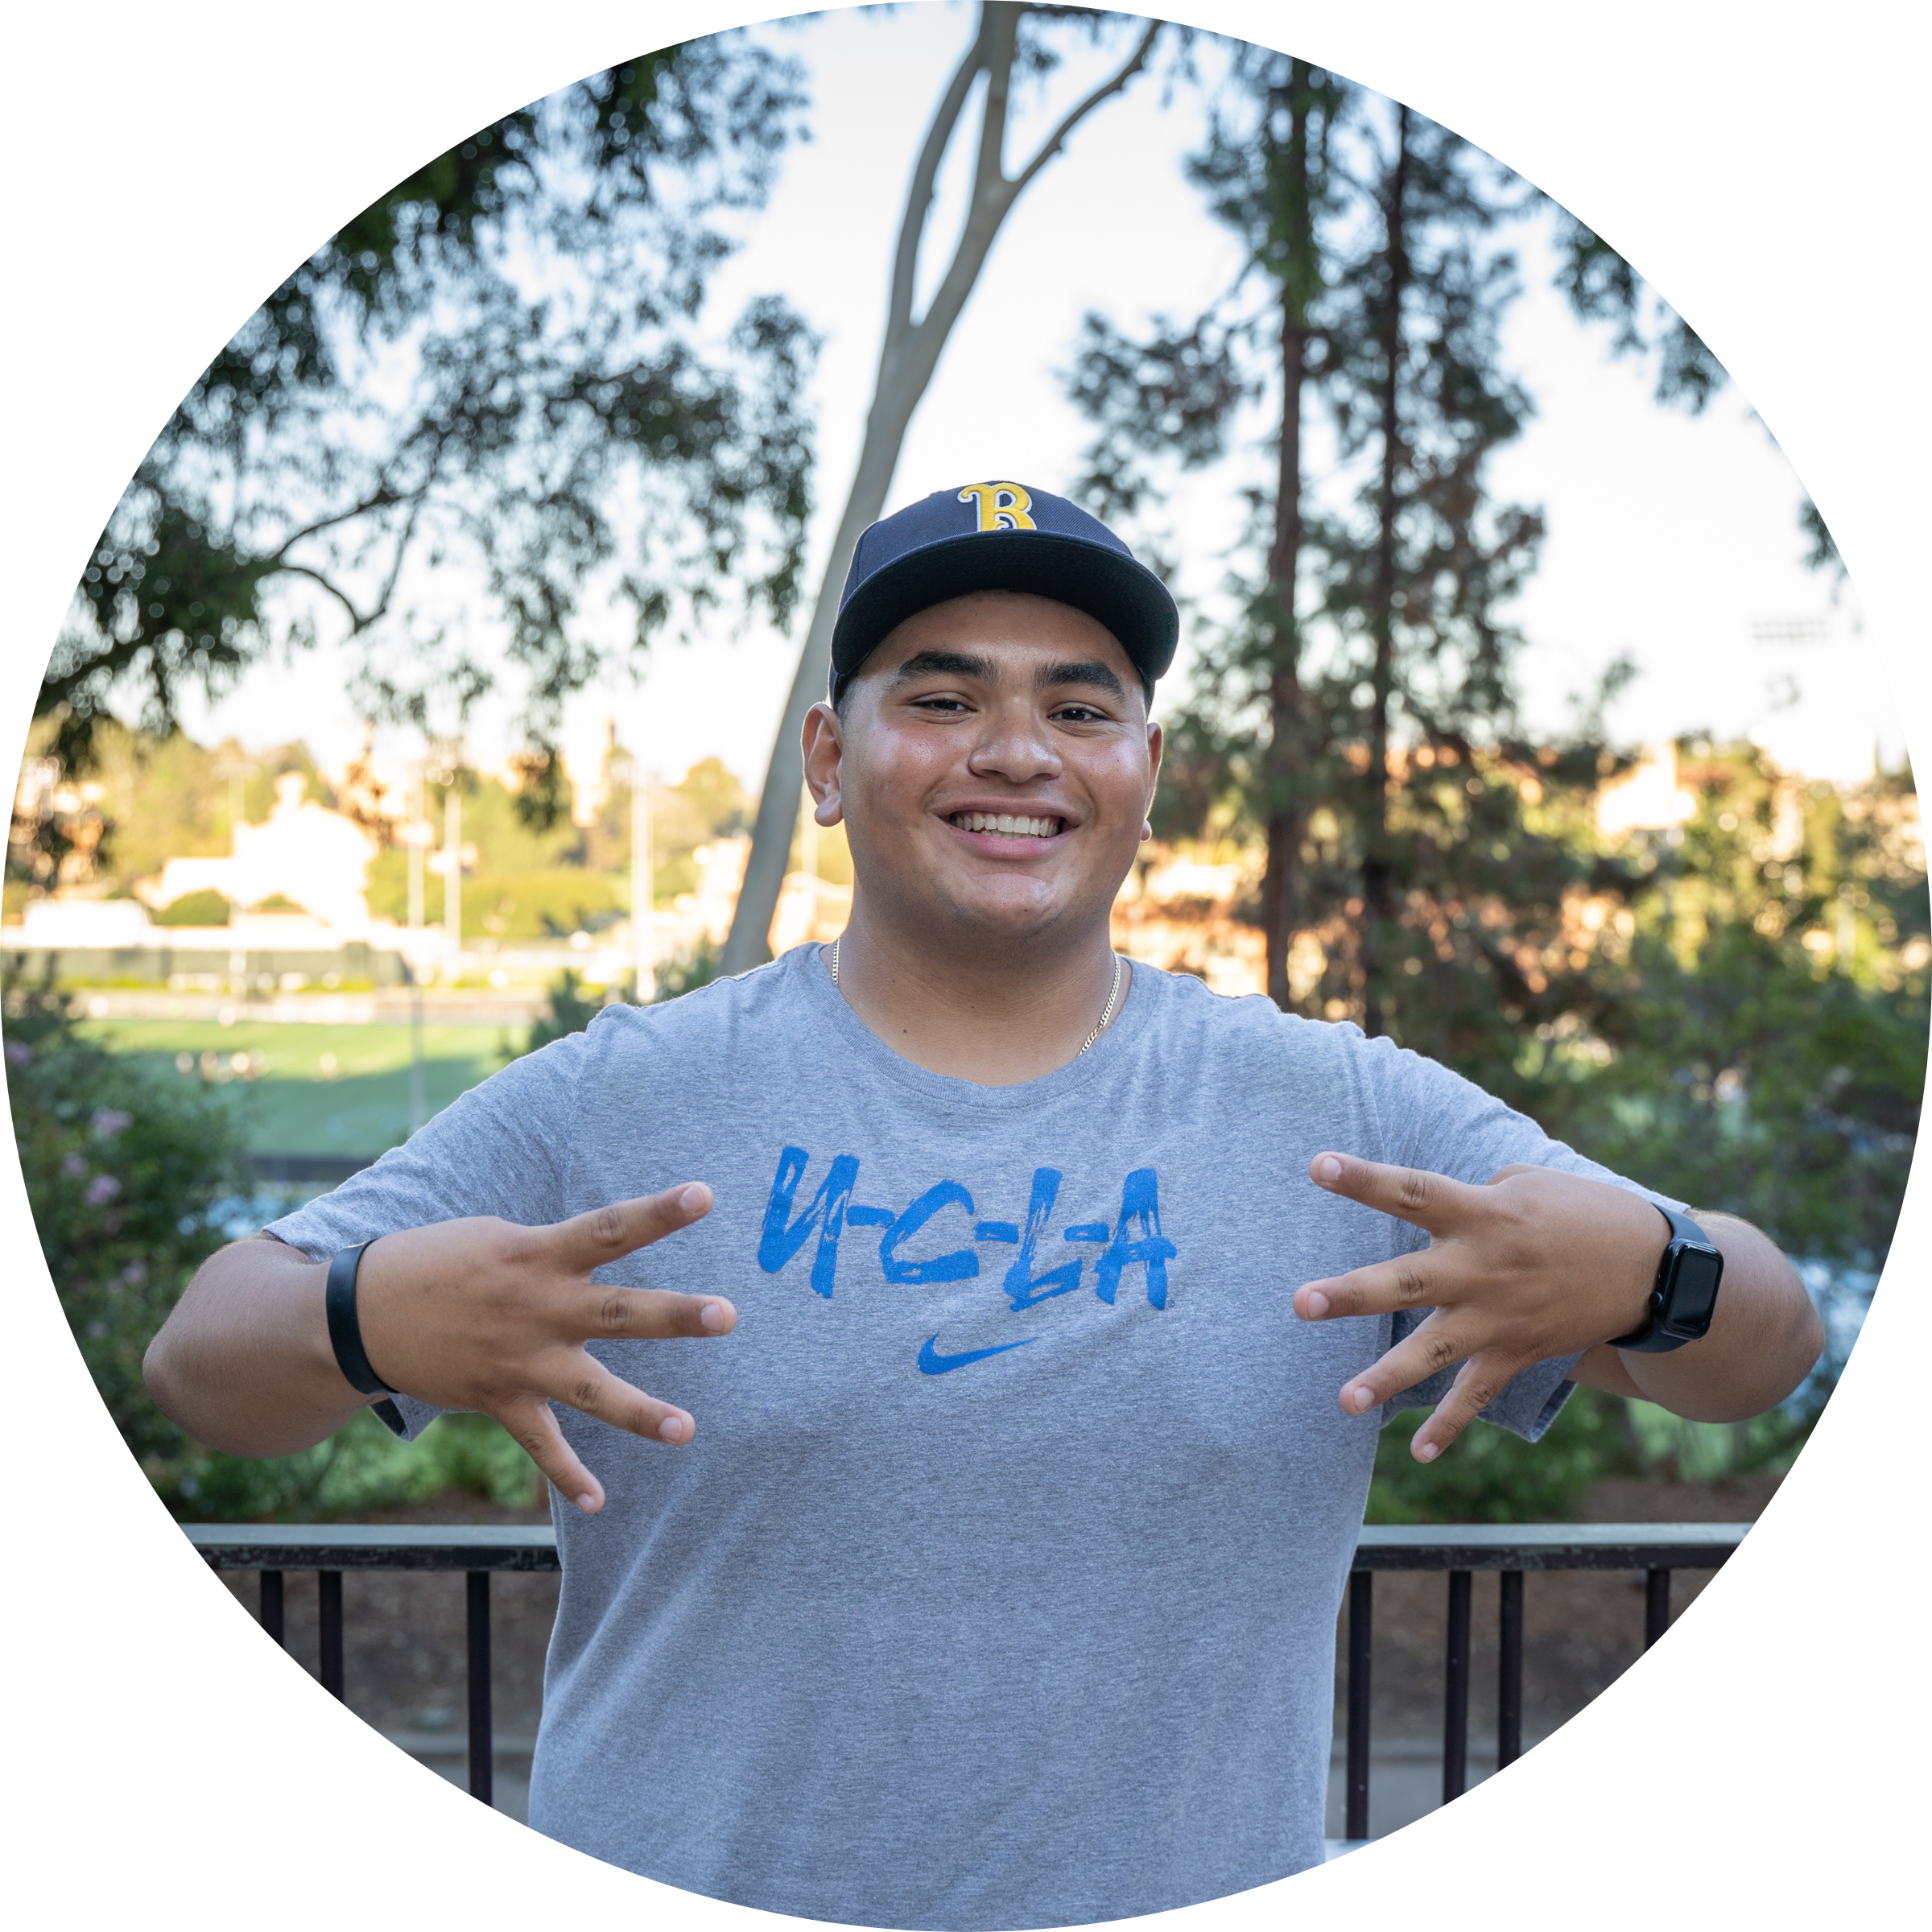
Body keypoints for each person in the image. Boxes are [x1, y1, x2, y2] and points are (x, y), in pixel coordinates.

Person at [145, 481, 1823, 1930]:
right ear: (829, 754)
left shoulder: (1348, 1112)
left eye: (1080, 709)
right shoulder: (630, 1094)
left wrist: (1656, 1276)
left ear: (1146, 770)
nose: (1016, 751)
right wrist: (360, 1315)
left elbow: (1765, 1350)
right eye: (940, 698)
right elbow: (202, 1363)